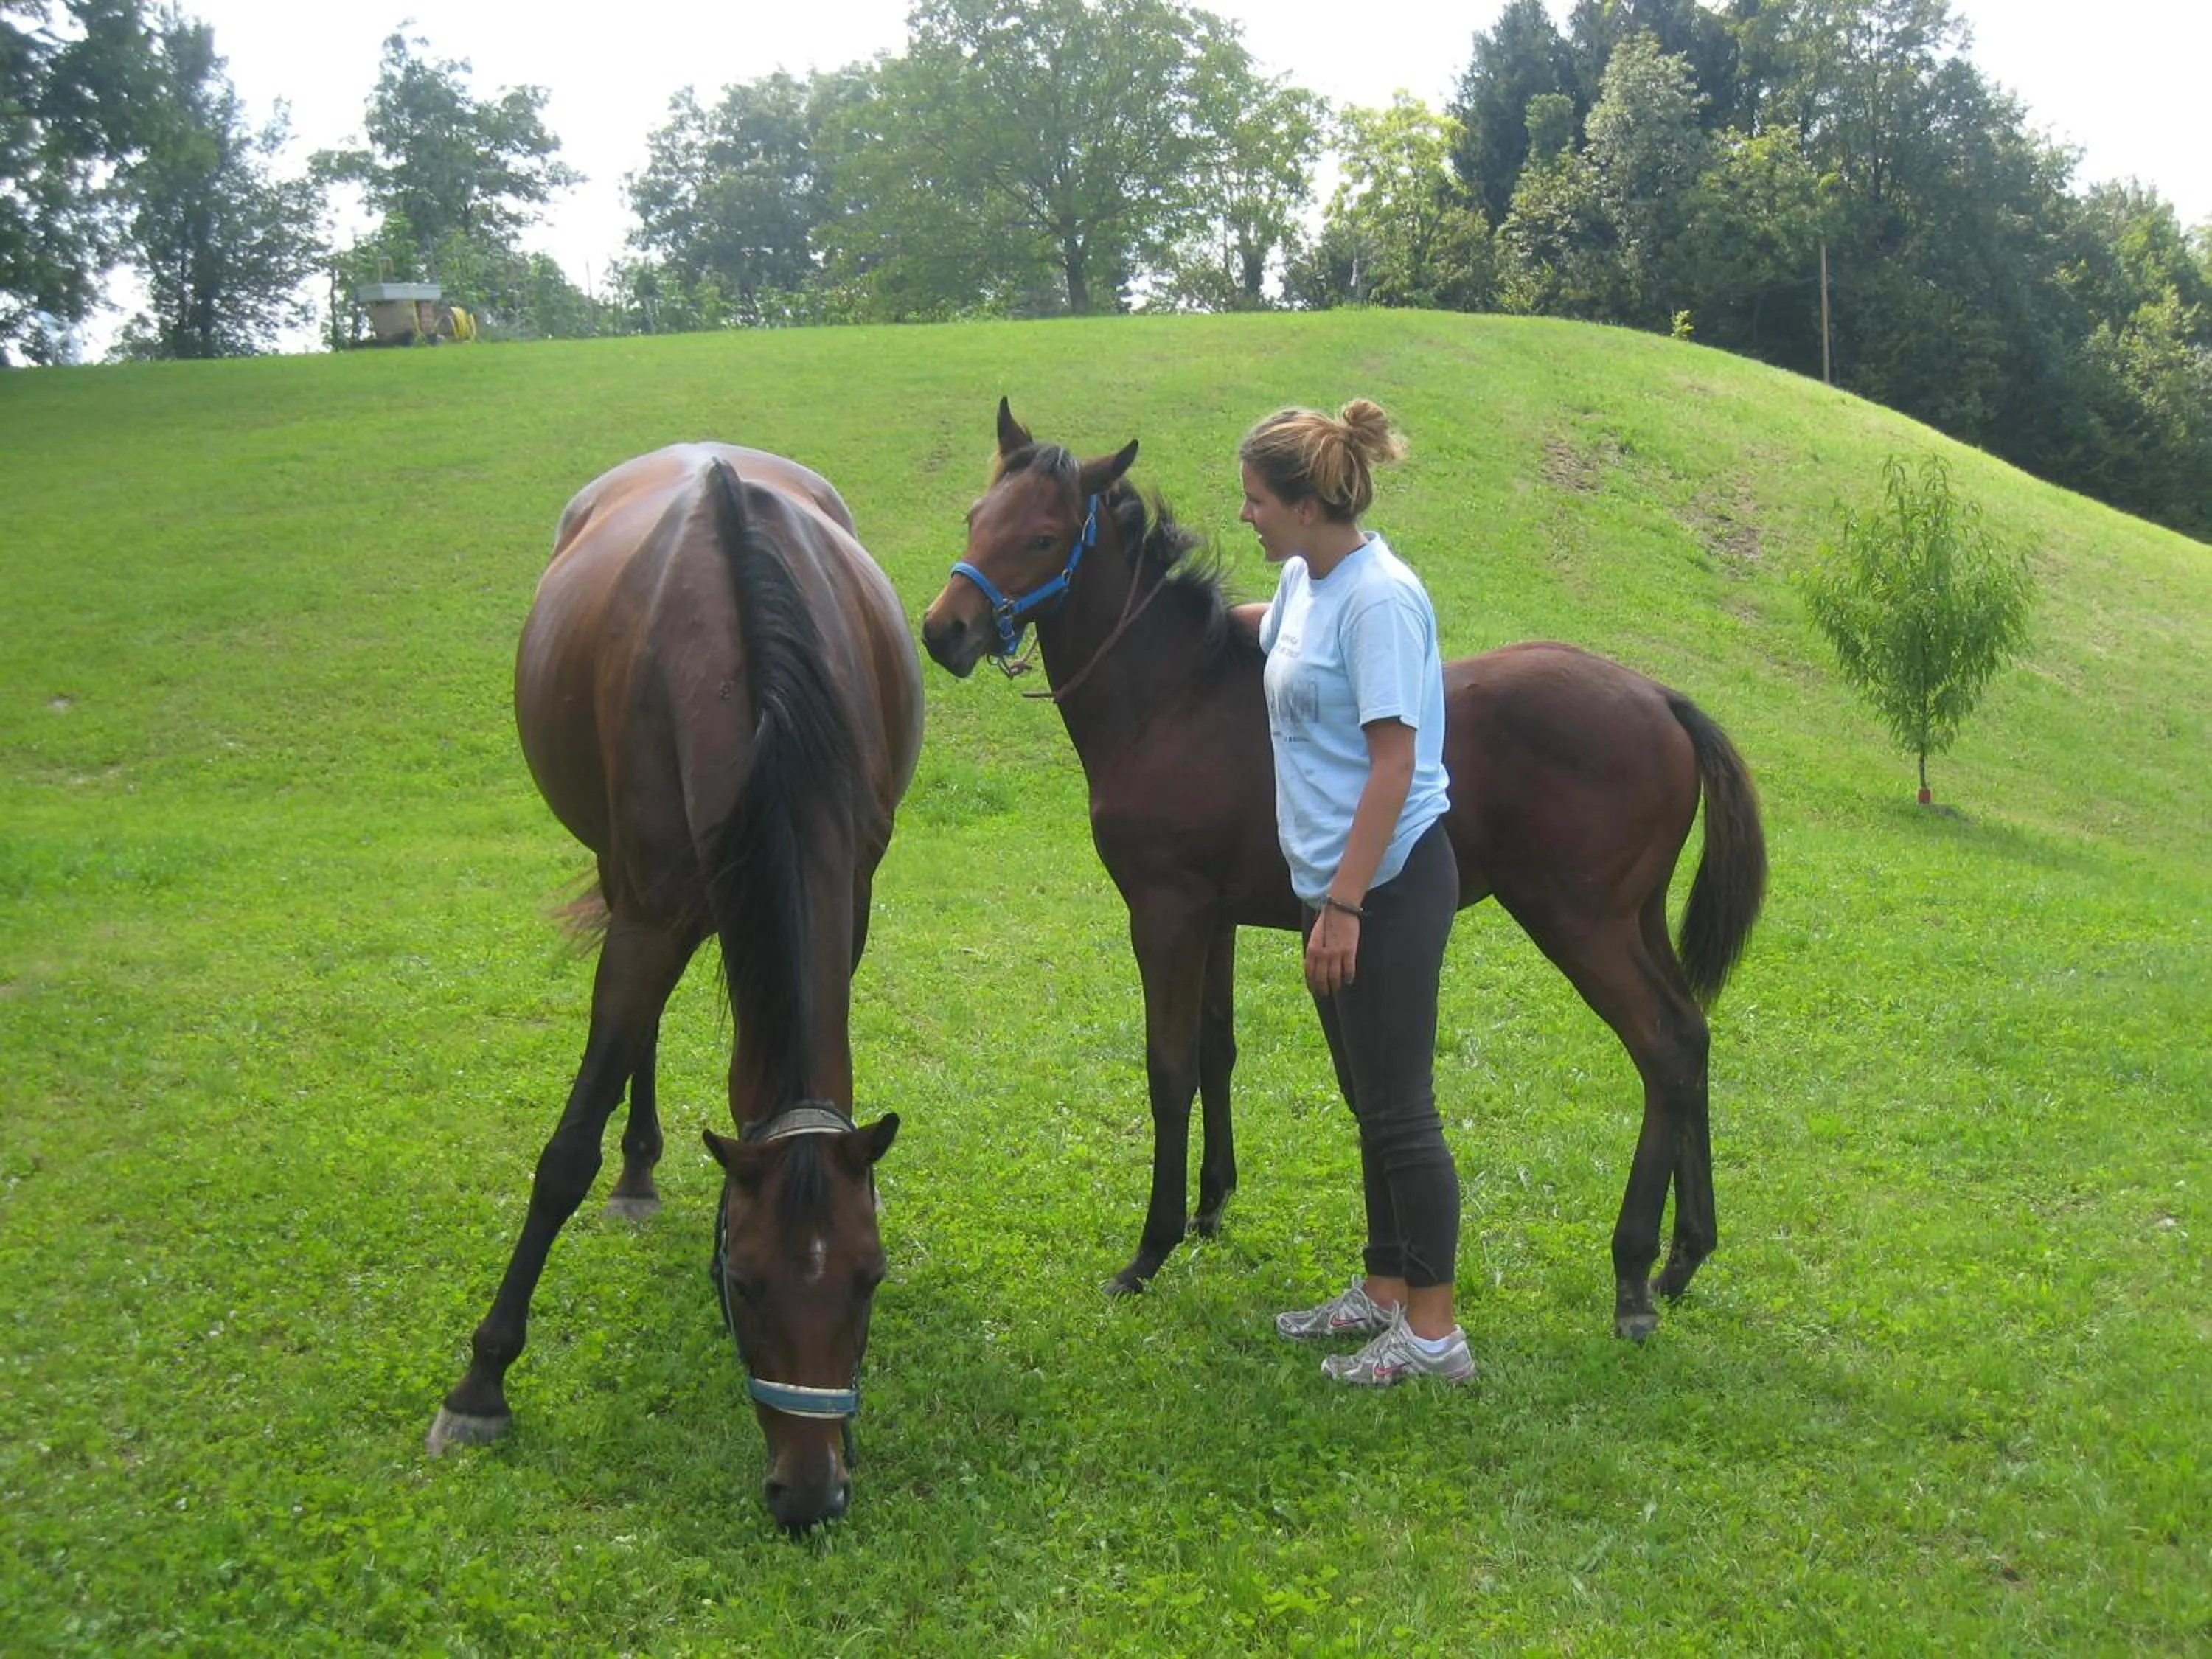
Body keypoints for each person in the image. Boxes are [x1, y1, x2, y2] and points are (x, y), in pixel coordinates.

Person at [1235, 400, 1472, 1387]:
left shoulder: (1380, 600)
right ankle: (1384, 1287)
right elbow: (1272, 637)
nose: (1244, 514)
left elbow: (1394, 764)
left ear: (1304, 505)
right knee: (1369, 1099)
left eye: (1255, 499)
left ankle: (1435, 1335)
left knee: (1401, 1110)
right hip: (1331, 881)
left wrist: (1344, 906)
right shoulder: (1306, 578)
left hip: (1387, 885)